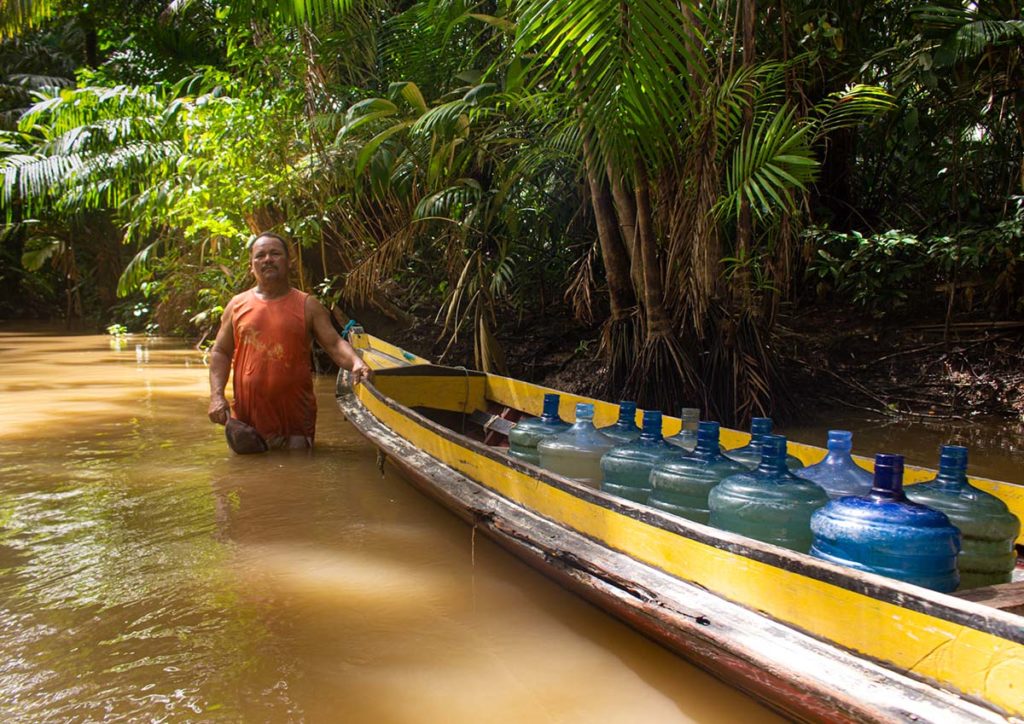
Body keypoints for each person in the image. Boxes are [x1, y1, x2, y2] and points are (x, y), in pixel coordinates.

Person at [207, 232, 372, 449]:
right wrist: (216, 396)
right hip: (247, 420)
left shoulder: (308, 305)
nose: (267, 259)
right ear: (251, 265)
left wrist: (356, 363)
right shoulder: (236, 305)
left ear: (288, 262)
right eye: (260, 255)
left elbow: (334, 344)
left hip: (295, 417)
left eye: (275, 254)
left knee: (299, 473)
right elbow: (220, 352)